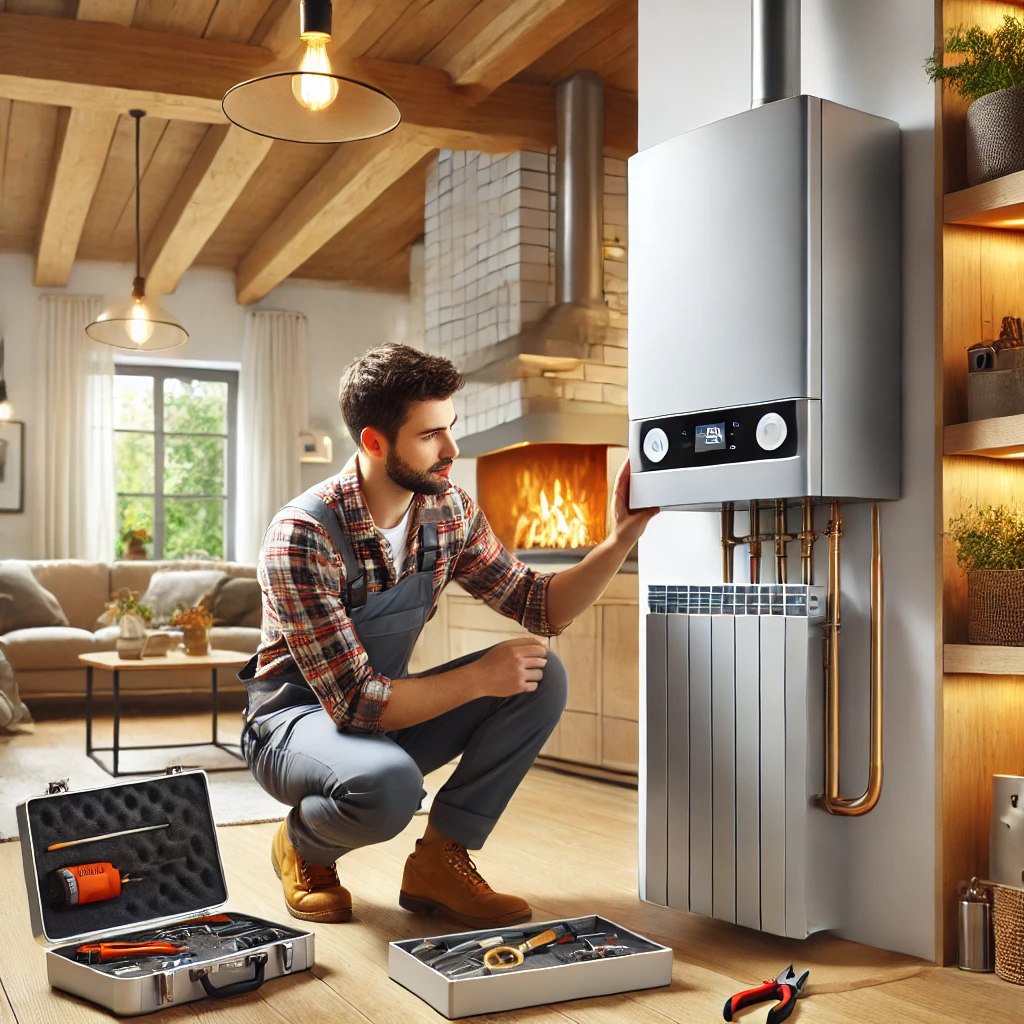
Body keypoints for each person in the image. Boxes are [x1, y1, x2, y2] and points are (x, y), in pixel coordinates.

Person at [239, 343, 657, 928]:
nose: (453, 450)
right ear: (374, 442)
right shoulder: (302, 536)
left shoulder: (449, 513)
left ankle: (440, 860)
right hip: (292, 724)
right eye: (430, 435)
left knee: (540, 674)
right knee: (388, 786)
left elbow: (540, 607)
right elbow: (356, 702)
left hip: (378, 711)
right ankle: (303, 845)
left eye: (451, 428)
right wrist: (480, 677)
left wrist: (620, 539)